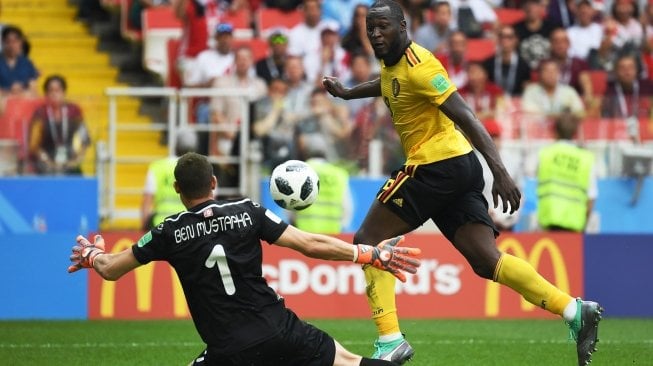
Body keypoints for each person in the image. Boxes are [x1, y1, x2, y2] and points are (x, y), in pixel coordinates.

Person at [322, 1, 603, 364]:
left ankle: (390, 339)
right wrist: (348, 93)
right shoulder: (392, 61)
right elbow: (390, 84)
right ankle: (575, 311)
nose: (375, 34)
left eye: (383, 27)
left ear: (403, 26)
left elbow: (466, 114)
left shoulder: (420, 66)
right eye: (370, 28)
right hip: (456, 168)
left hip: (435, 165)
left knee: (367, 241)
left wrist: (500, 170)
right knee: (487, 262)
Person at [67, 152, 421, 366]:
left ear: (177, 189)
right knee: (349, 361)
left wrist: (92, 254)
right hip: (280, 329)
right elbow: (309, 244)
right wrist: (371, 253)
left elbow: (111, 270)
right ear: (214, 183)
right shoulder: (247, 211)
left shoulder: (168, 231)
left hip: (229, 350)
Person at [536, 113, 598, 232]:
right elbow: (591, 197)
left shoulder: (545, 154)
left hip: (548, 225)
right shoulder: (586, 158)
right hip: (575, 228)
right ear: (575, 133)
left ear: (555, 131)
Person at [28, 75, 90, 175]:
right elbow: (34, 145)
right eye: (51, 91)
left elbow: (85, 139)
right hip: (45, 165)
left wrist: (76, 160)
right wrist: (48, 162)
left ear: (64, 92)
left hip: (70, 162)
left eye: (58, 90)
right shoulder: (40, 113)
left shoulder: (74, 111)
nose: (54, 94)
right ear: (46, 94)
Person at [141, 129, 198, 231]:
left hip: (160, 226)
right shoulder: (199, 168)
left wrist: (145, 229)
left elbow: (147, 202)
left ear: (175, 145)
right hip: (187, 227)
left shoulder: (157, 167)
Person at [294, 140, 352, 234]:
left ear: (307, 152)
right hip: (332, 236)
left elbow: (290, 204)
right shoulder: (338, 174)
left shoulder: (299, 171)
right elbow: (347, 208)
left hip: (304, 235)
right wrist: (342, 225)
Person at [0, 26, 38, 96]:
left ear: (20, 42)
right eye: (8, 42)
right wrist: (10, 91)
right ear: (3, 42)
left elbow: (33, 89)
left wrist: (21, 93)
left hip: (22, 103)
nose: (11, 45)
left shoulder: (27, 63)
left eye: (15, 42)